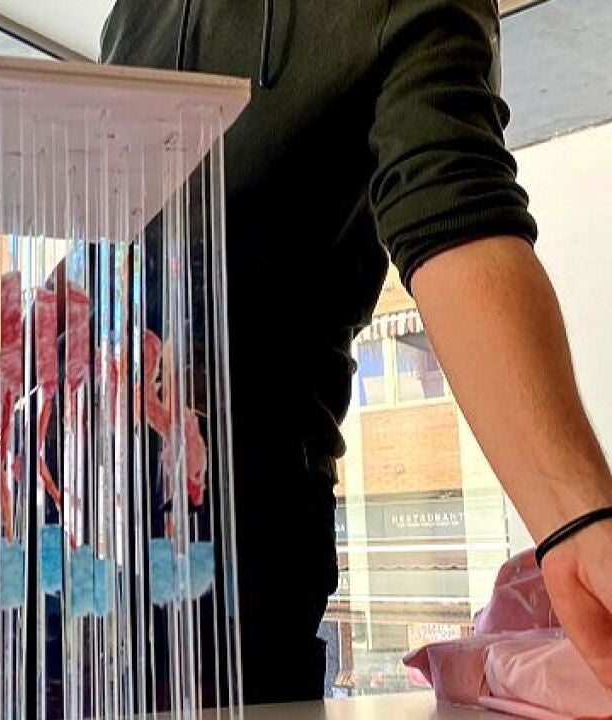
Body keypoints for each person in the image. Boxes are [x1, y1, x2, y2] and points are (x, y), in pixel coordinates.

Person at [100, 0, 612, 704]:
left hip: (230, 532)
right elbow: (111, 239)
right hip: (47, 505)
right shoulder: (134, 13)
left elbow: (453, 211)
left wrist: (576, 517)